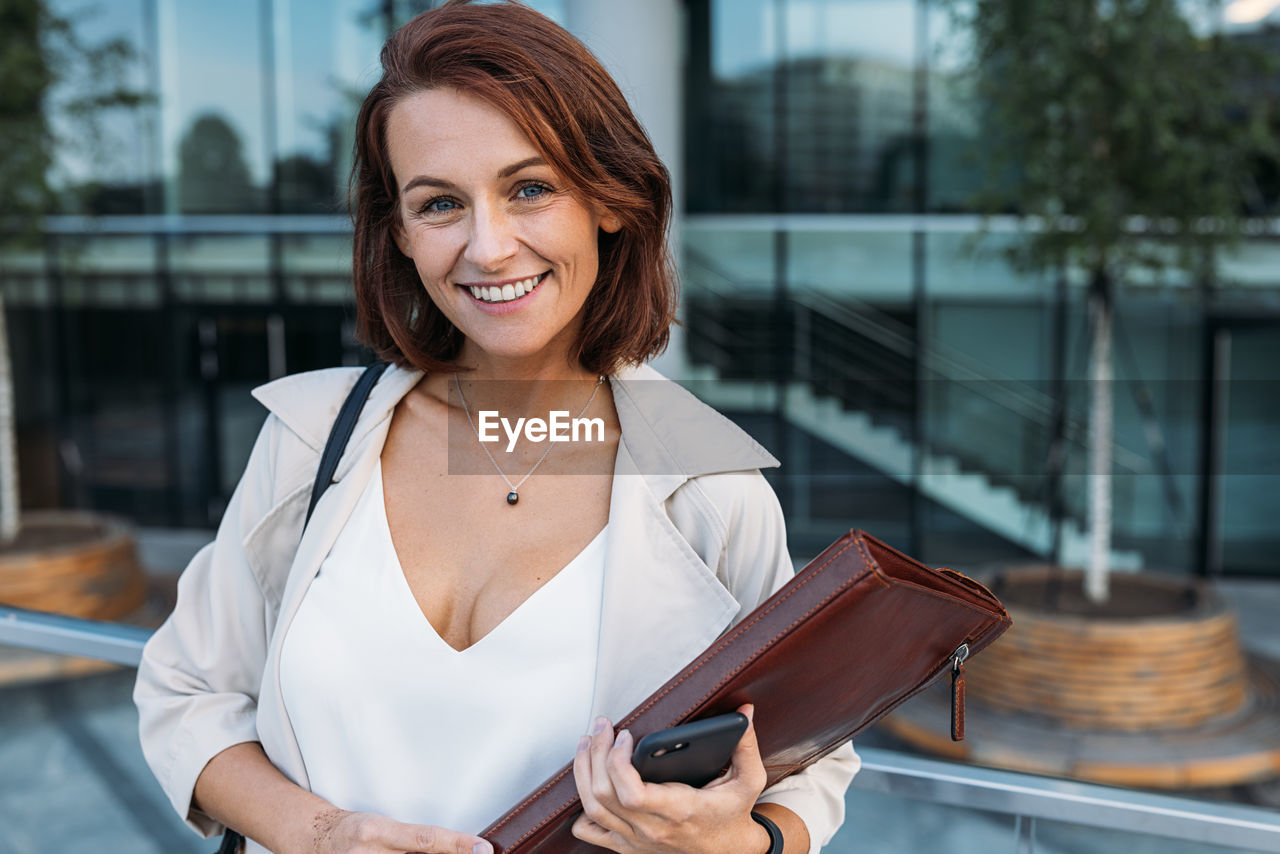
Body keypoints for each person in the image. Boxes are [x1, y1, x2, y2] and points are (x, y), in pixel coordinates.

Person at [134, 2, 859, 853]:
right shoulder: (312, 435)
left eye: (530, 188)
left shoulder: (710, 483)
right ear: (399, 234)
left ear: (608, 200)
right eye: (440, 204)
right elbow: (185, 691)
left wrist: (740, 844)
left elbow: (811, 763)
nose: (488, 246)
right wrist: (319, 832)